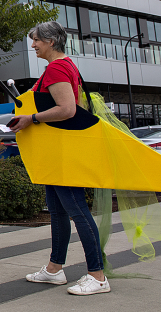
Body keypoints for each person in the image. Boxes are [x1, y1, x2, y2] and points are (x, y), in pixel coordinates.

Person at [11, 21, 110, 296]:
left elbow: (67, 109)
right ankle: (55, 269)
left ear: (51, 41)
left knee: (77, 211)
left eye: (36, 41)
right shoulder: (63, 66)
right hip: (58, 151)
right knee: (57, 211)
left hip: (63, 153)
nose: (33, 46)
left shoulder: (57, 68)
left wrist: (31, 118)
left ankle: (97, 275)